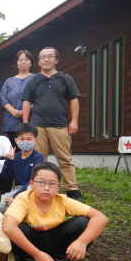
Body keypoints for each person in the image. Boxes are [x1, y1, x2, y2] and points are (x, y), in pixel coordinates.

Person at [3, 162, 108, 261]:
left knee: (83, 222)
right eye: (41, 182)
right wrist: (37, 254)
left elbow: (101, 217)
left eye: (52, 184)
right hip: (31, 242)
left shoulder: (62, 200)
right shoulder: (23, 198)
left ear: (58, 187)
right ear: (31, 184)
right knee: (19, 228)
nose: (46, 188)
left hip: (54, 241)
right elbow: (8, 226)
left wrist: (82, 242)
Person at [22, 47, 82, 200]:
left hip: (60, 125)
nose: (46, 59)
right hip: (37, 126)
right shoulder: (33, 80)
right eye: (43, 57)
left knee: (65, 158)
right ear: (39, 61)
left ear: (56, 60)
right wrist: (25, 124)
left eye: (50, 56)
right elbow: (27, 101)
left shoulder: (65, 78)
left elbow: (74, 100)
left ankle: (72, 189)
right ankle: (40, 187)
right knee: (39, 160)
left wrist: (74, 121)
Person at [0, 123, 44, 212]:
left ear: (35, 140)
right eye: (22, 139)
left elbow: (33, 181)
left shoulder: (38, 158)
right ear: (16, 140)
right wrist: (9, 161)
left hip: (32, 190)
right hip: (17, 189)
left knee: (15, 207)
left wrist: (16, 197)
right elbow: (5, 177)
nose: (25, 141)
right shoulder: (15, 157)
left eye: (29, 139)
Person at [0, 50, 34, 146]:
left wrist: (24, 111)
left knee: (28, 149)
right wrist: (13, 111)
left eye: (26, 60)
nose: (23, 62)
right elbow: (3, 98)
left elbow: (39, 98)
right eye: (20, 60)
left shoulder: (36, 79)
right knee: (13, 149)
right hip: (11, 120)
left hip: (30, 119)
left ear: (31, 62)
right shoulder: (9, 81)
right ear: (17, 63)